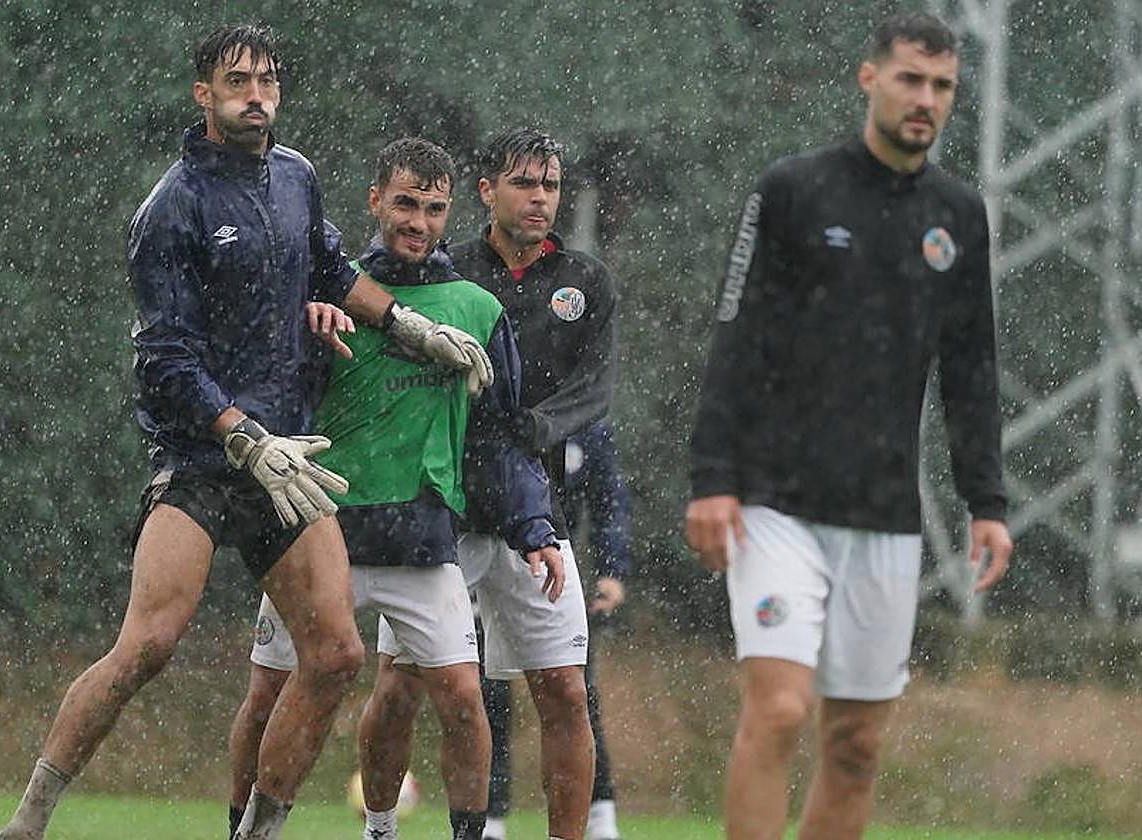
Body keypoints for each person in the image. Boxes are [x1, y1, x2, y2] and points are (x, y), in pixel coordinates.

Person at [0, 27, 493, 840]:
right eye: (237, 81)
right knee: (150, 643)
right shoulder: (172, 206)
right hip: (202, 458)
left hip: (287, 460)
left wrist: (409, 326)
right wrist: (240, 436)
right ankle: (27, 821)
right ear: (204, 95)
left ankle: (256, 833)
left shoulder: (295, 176)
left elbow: (333, 270)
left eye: (266, 80)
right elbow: (164, 359)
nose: (255, 94)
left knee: (335, 656)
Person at [683, 11, 1014, 840]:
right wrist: (712, 479)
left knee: (858, 743)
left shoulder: (958, 215)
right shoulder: (793, 190)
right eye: (910, 78)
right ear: (870, 79)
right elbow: (737, 336)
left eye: (942, 87)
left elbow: (971, 369)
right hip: (774, 504)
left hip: (885, 519)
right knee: (782, 708)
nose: (925, 99)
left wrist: (988, 499)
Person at [227, 136, 564, 840]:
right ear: (376, 200)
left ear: (450, 213)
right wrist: (307, 339)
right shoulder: (325, 289)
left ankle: (414, 834)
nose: (419, 221)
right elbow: (268, 401)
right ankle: (244, 830)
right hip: (320, 532)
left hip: (420, 540)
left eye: (433, 208)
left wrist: (534, 529)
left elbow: (499, 436)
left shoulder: (475, 307)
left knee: (465, 703)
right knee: (266, 696)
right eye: (406, 203)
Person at [359, 128, 616, 840]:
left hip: (535, 507)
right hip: (440, 511)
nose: (540, 199)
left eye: (551, 186)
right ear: (486, 191)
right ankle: (380, 828)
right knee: (403, 687)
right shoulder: (446, 270)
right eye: (525, 184)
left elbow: (597, 389)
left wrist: (529, 428)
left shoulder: (585, 282)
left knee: (565, 690)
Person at [481, 419, 633, 840]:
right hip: (489, 562)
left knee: (576, 694)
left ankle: (601, 815)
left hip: (558, 574)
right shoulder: (503, 415)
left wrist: (612, 571)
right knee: (489, 693)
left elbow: (608, 502)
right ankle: (490, 819)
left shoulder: (588, 428)